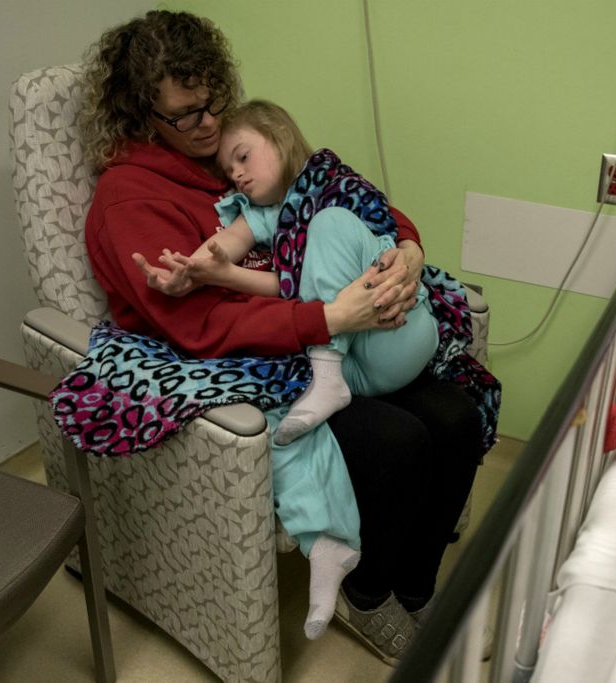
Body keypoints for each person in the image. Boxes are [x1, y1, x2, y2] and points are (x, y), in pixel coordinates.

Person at [78, 10, 497, 661]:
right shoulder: (128, 198)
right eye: (188, 114)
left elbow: (343, 193)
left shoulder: (229, 154)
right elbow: (201, 324)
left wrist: (408, 252)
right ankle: (367, 593)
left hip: (309, 333)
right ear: (142, 117)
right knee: (399, 443)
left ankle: (414, 590)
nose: (211, 122)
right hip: (237, 360)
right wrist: (329, 318)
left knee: (459, 416)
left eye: (214, 99)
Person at [141, 100, 439, 449]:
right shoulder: (269, 214)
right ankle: (327, 377)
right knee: (305, 284)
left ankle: (327, 374)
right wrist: (192, 269)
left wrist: (409, 249)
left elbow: (384, 220)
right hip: (356, 371)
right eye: (228, 171)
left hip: (397, 328)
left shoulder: (331, 183)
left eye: (243, 157)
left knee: (330, 222)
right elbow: (238, 243)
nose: (235, 174)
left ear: (280, 136)